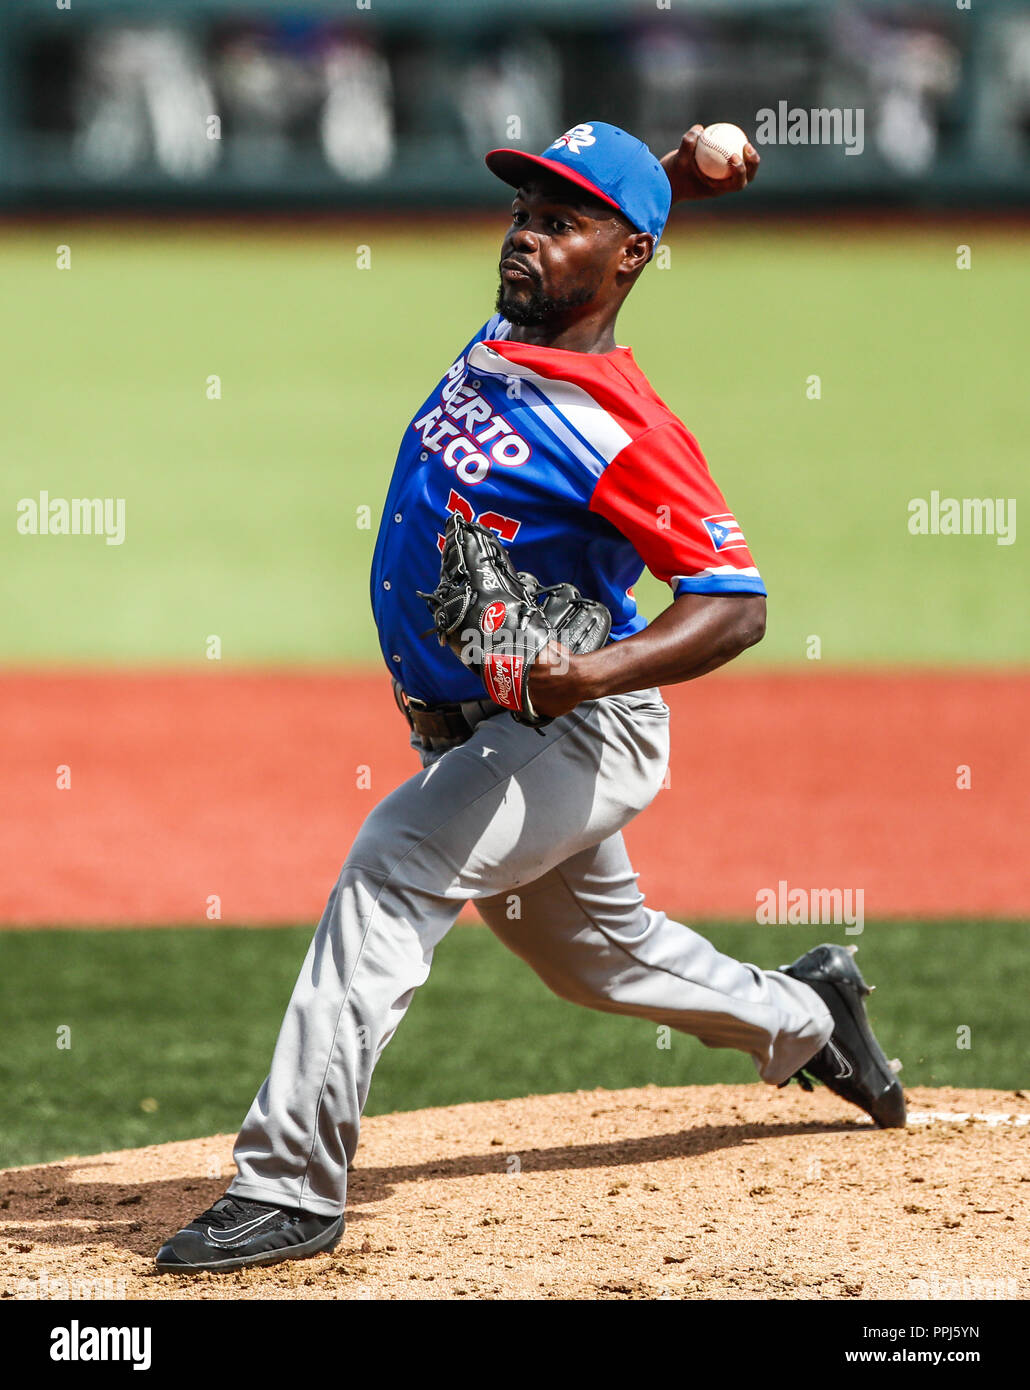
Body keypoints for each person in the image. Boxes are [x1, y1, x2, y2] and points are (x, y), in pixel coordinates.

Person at [156, 121, 904, 1275]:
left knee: (393, 862)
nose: (525, 239)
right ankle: (812, 1016)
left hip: (575, 728)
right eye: (521, 215)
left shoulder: (621, 426)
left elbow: (736, 602)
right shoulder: (520, 326)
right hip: (485, 728)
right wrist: (679, 174)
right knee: (597, 956)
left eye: (557, 225)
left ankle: (288, 1186)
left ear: (625, 261)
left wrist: (592, 672)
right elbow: (619, 211)